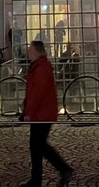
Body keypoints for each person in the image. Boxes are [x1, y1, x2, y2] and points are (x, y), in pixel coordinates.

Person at [20, 39, 74, 187]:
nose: (28, 52)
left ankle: (64, 169)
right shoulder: (37, 66)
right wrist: (26, 109)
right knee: (36, 145)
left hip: (42, 114)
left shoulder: (41, 67)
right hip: (39, 113)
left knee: (39, 145)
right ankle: (36, 179)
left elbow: (38, 92)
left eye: (30, 50)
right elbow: (32, 91)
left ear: (37, 51)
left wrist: (28, 112)